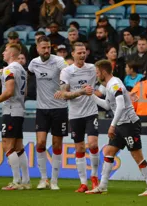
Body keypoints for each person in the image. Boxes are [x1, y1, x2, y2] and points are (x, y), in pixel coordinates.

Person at [84, 60, 147, 196]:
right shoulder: (109, 85)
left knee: (137, 156)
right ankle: (102, 186)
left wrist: (112, 126)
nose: (96, 75)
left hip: (129, 124)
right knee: (109, 152)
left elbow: (121, 106)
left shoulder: (115, 85)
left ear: (104, 72)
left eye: (97, 72)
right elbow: (107, 105)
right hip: (121, 124)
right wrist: (92, 96)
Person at [54, 42, 99, 193]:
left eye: (84, 52)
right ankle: (83, 183)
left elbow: (106, 80)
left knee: (92, 144)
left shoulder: (92, 69)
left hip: (91, 112)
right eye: (79, 53)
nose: (82, 55)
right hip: (75, 114)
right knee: (79, 147)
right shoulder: (67, 72)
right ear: (72, 54)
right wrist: (81, 92)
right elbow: (64, 94)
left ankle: (94, 177)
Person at [28, 36, 68, 190]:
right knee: (40, 143)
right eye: (43, 48)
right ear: (37, 48)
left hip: (59, 108)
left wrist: (63, 89)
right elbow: (28, 75)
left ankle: (54, 181)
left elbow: (67, 71)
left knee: (57, 144)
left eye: (48, 48)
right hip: (42, 109)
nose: (46, 50)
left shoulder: (58, 61)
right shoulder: (33, 63)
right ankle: (43, 179)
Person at [0, 43, 30, 190]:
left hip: (11, 111)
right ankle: (25, 181)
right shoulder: (21, 69)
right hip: (19, 110)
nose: (3, 53)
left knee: (7, 146)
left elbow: (9, 91)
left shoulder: (9, 69)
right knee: (19, 147)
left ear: (12, 55)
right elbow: (25, 92)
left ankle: (16, 181)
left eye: (5, 51)